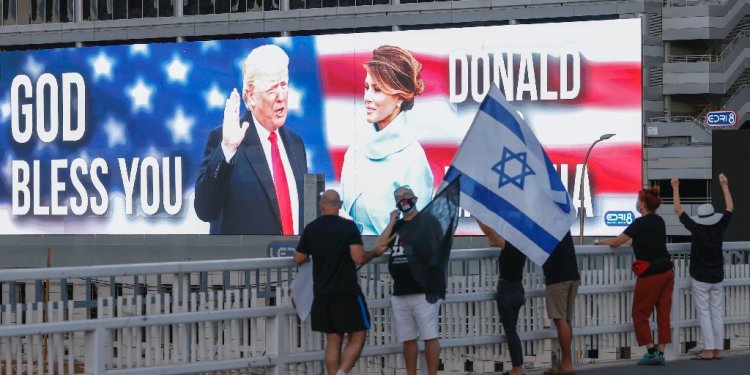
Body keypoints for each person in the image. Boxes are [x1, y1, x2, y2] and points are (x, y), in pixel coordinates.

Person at [194, 44, 308, 235]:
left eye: (283, 85)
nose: (281, 96)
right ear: (251, 96)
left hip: (296, 262)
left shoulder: (296, 143)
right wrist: (227, 148)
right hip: (249, 263)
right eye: (272, 89)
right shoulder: (226, 140)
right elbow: (205, 210)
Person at [340, 45, 433, 235]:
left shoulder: (412, 158)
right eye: (366, 88)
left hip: (391, 262)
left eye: (377, 90)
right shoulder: (354, 152)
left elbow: (418, 234)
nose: (367, 97)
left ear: (399, 97)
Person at [294, 190, 386, 375]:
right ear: (340, 205)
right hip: (347, 292)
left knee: (333, 339)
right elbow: (358, 257)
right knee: (358, 335)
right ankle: (342, 373)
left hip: (322, 292)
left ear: (321, 205)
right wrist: (375, 252)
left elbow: (299, 258)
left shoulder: (311, 229)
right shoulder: (348, 227)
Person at [597, 187, 674, 366]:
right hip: (667, 271)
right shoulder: (659, 221)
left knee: (639, 313)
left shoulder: (639, 223)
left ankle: (650, 350)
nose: (637, 203)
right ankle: (661, 351)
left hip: (650, 274)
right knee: (663, 312)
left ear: (643, 204)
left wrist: (599, 242)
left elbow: (618, 241)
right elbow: (641, 240)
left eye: (639, 200)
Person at [376, 186, 441, 375]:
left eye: (406, 196)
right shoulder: (396, 227)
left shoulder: (428, 221)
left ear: (415, 198)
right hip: (400, 291)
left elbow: (439, 248)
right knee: (408, 339)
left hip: (424, 290)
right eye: (398, 197)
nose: (403, 200)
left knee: (429, 336)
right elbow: (379, 247)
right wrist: (392, 222)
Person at [672, 174, 733, 360]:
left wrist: (675, 188)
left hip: (700, 275)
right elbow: (730, 208)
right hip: (717, 275)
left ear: (700, 217)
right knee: (717, 312)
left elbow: (678, 210)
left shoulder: (695, 227)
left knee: (704, 312)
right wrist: (724, 186)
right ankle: (717, 349)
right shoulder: (720, 225)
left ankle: (708, 349)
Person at [477, 221, 527, 375]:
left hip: (506, 291)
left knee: (511, 332)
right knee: (513, 331)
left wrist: (475, 214)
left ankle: (518, 369)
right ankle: (517, 367)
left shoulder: (508, 245)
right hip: (519, 289)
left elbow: (489, 232)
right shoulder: (523, 245)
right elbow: (497, 241)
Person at [541, 232, 580, 375]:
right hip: (573, 275)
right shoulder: (561, 222)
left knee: (560, 320)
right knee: (567, 320)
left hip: (557, 277)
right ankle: (566, 361)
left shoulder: (544, 226)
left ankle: (567, 363)